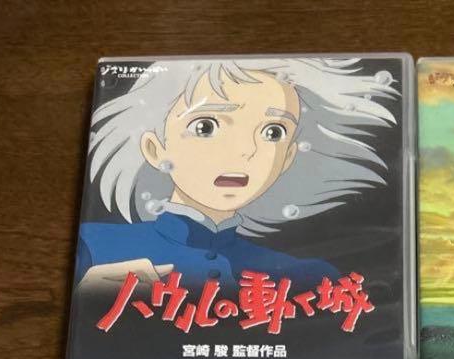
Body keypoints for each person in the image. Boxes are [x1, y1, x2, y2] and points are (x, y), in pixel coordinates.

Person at [75, 58, 397, 291]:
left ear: (287, 158)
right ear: (155, 148)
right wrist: (93, 301)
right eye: (206, 127)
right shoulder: (92, 246)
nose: (245, 151)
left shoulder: (311, 278)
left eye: (273, 132)